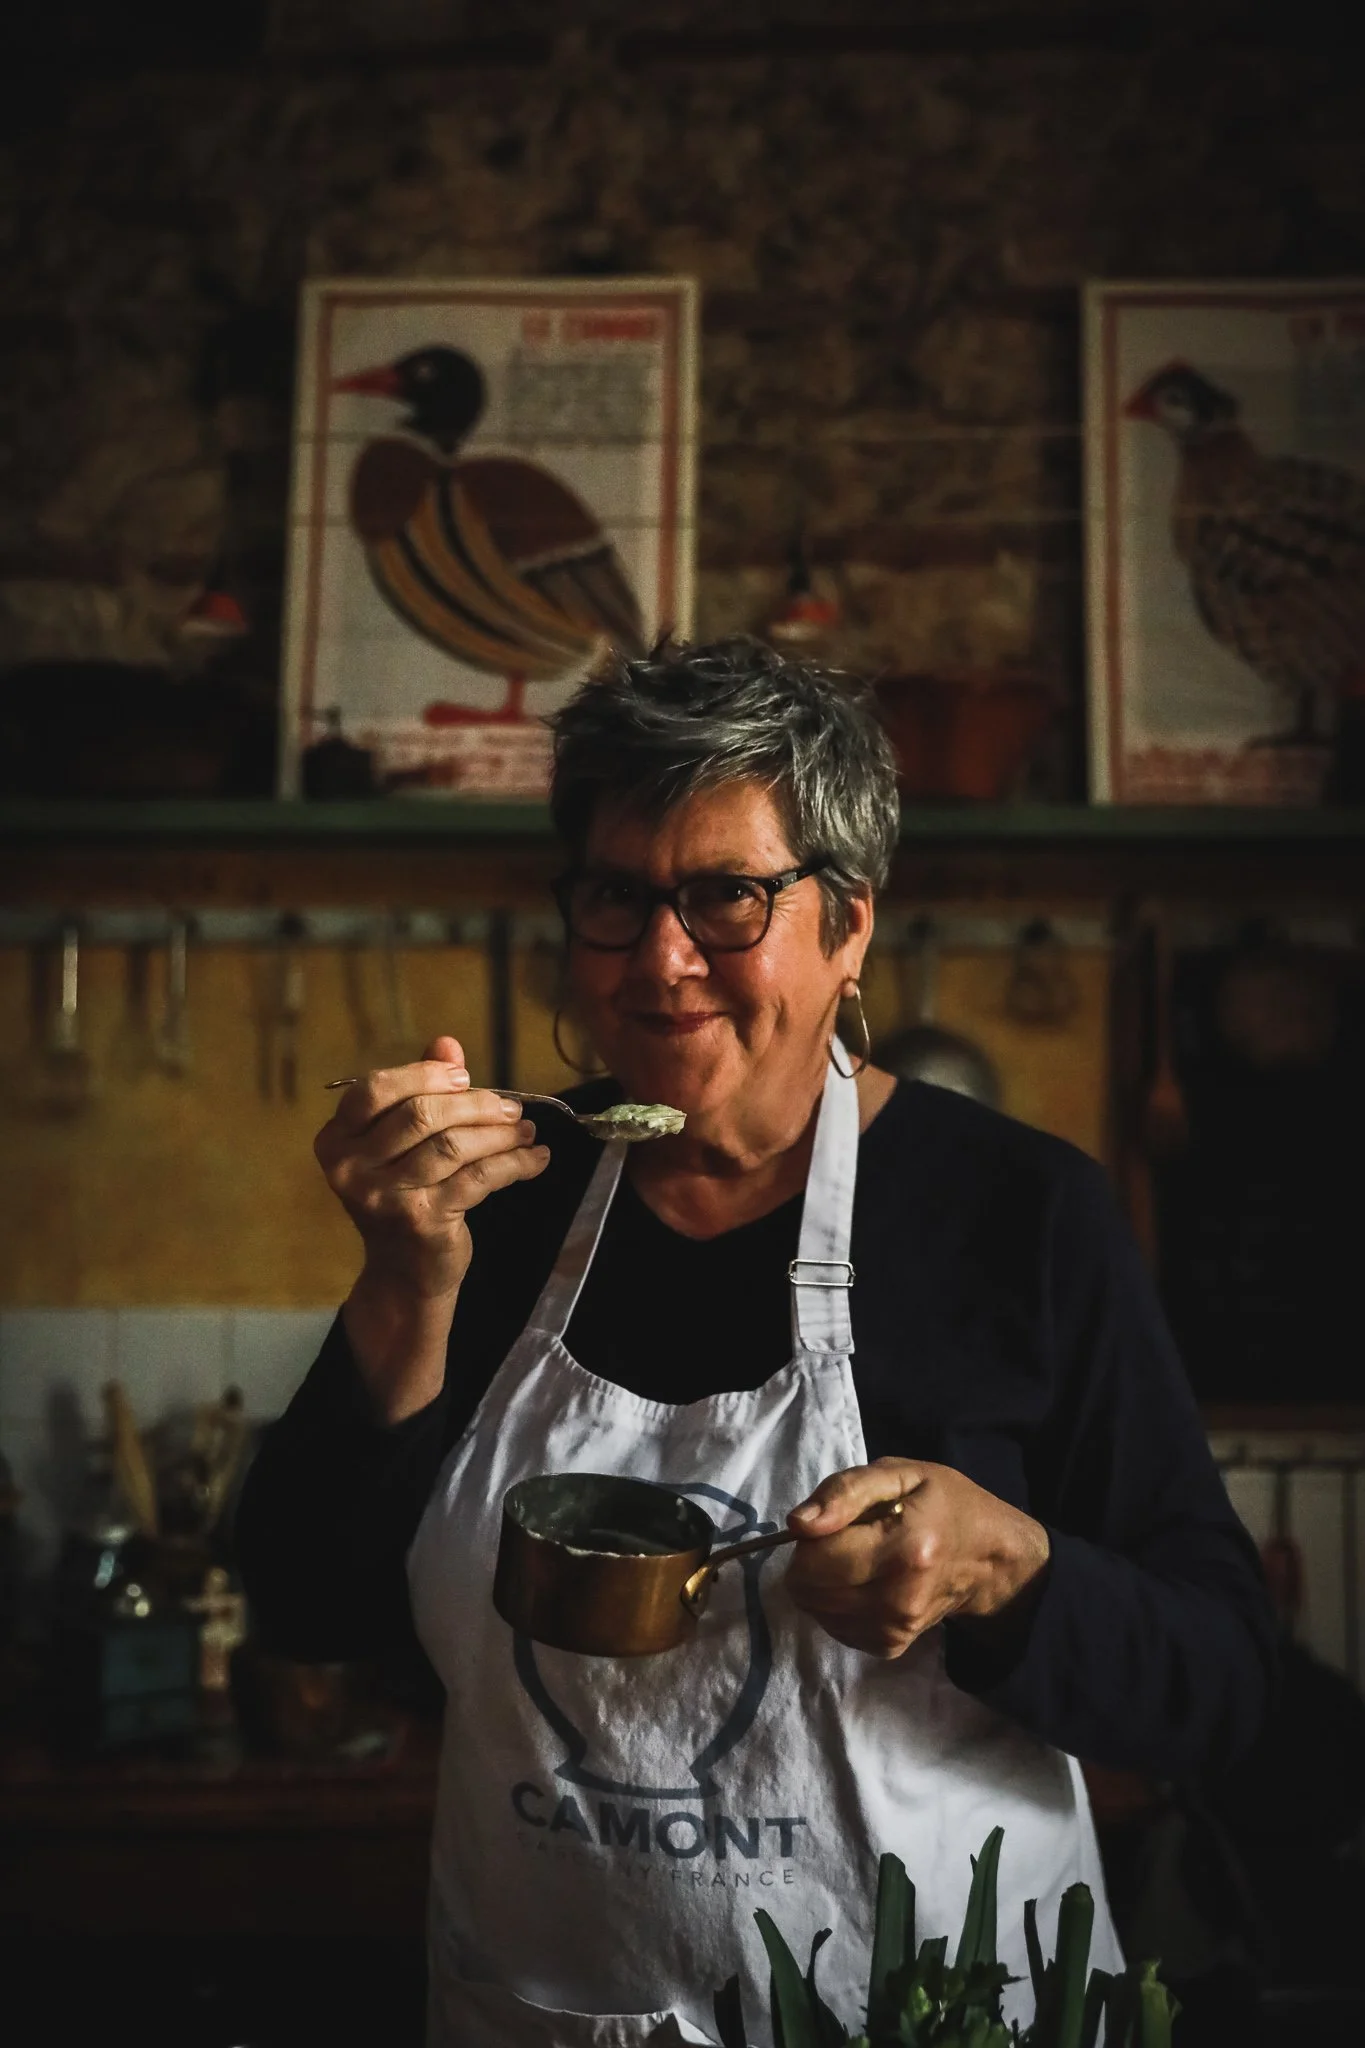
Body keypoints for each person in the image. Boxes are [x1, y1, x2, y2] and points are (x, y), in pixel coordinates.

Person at [235, 637, 1274, 2047]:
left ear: (848, 923)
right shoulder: (507, 1203)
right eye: (618, 896)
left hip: (931, 2019)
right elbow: (306, 1611)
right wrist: (408, 1280)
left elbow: (1220, 1686)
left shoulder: (1019, 1216)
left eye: (727, 897)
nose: (661, 963)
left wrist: (1009, 1571)